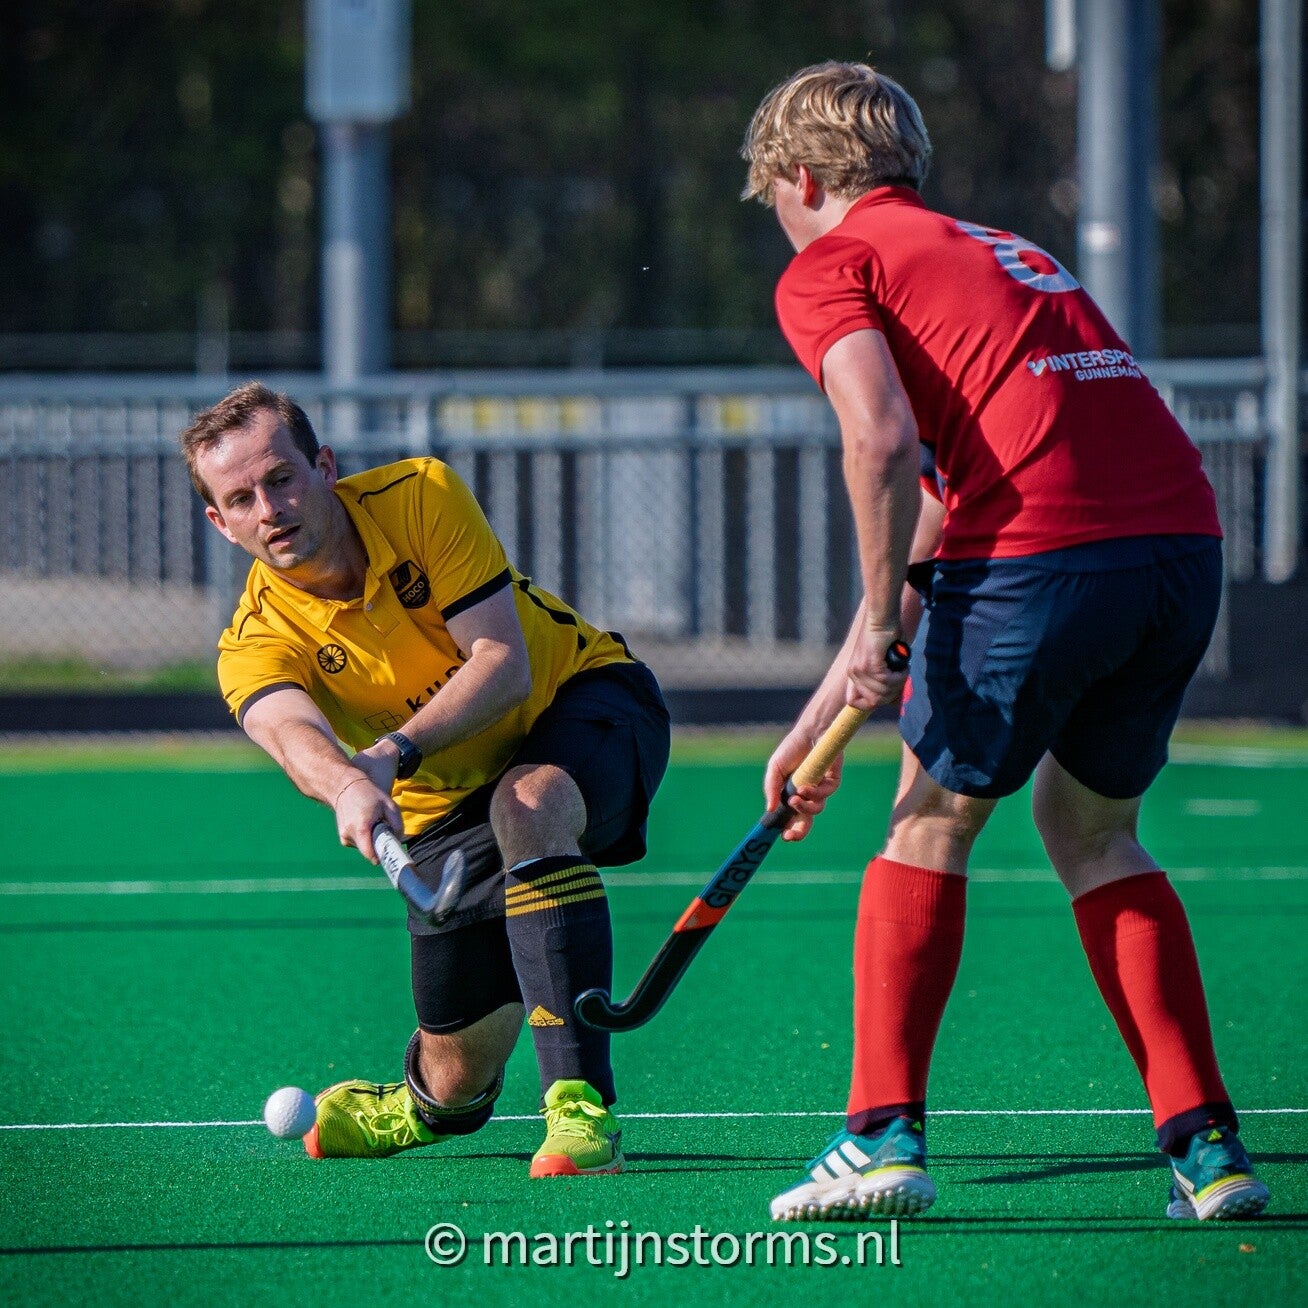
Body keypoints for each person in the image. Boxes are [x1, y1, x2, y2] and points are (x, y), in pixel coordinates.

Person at [740, 62, 1268, 1223]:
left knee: (927, 825)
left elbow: (880, 441)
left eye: (773, 198)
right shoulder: (999, 249)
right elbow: (946, 492)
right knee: (1094, 831)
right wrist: (836, 692)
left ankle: (879, 1136)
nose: (780, 221)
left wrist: (879, 623)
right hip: (1177, 553)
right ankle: (1209, 1152)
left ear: (804, 178)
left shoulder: (833, 262)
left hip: (1041, 555)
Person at [179, 382, 669, 1177]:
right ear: (220, 523)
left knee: (528, 802)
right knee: (454, 1081)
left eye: (281, 479)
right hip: (447, 798)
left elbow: (502, 664)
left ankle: (581, 1109)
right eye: (241, 499)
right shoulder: (251, 642)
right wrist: (345, 785)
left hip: (585, 701)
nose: (269, 509)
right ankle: (423, 1107)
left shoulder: (419, 496)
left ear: (324, 467)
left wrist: (391, 753)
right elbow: (291, 733)